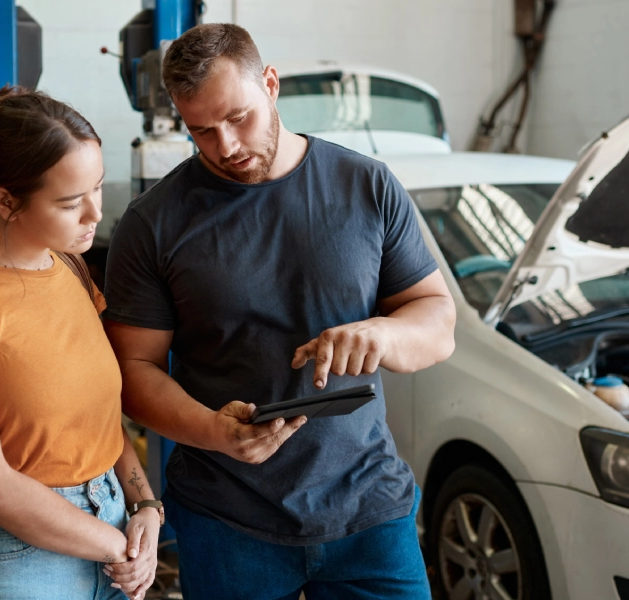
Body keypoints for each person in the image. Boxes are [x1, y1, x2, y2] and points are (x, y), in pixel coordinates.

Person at [102, 24, 456, 600]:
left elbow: (437, 322)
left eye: (237, 117)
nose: (225, 146)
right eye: (201, 132)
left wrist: (384, 335)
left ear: (270, 84)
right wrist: (215, 433)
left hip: (369, 512)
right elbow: (133, 375)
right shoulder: (153, 224)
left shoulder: (366, 185)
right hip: (226, 519)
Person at [0, 86, 162, 600]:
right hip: (23, 554)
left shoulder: (68, 265)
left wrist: (144, 505)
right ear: (5, 201)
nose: (93, 214)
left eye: (98, 189)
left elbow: (99, 422)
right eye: (69, 202)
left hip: (113, 525)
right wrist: (113, 545)